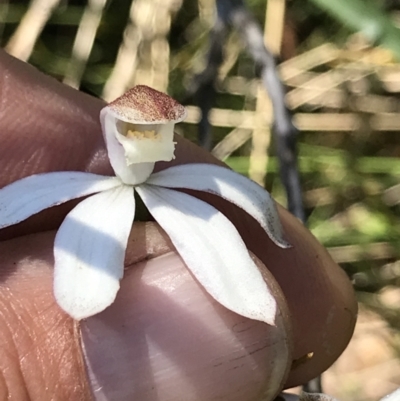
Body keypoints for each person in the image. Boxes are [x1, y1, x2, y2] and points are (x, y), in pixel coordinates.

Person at [0, 48, 357, 401]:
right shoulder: (63, 195)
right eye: (133, 130)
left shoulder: (211, 187)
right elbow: (80, 291)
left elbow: (254, 245)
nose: (145, 135)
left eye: (156, 130)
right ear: (113, 128)